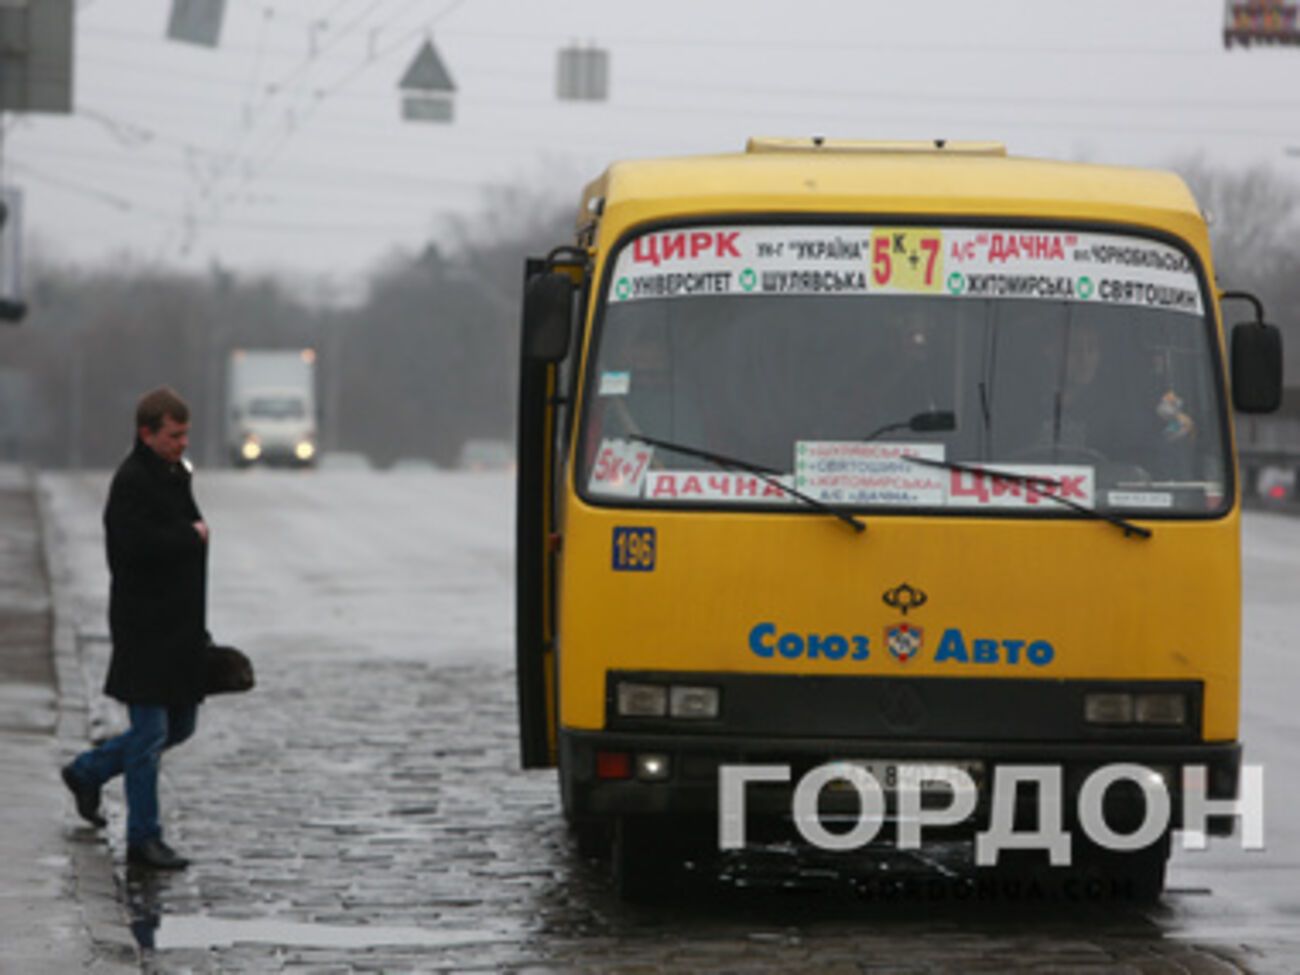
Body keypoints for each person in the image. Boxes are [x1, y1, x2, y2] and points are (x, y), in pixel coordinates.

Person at [60, 387, 210, 870]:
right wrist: (190, 537)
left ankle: (88, 771)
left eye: (185, 433)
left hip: (180, 629)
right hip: (145, 629)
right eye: (174, 435)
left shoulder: (173, 475)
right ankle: (143, 839)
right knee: (148, 738)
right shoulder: (132, 483)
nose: (183, 443)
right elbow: (136, 549)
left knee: (180, 726)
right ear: (147, 434)